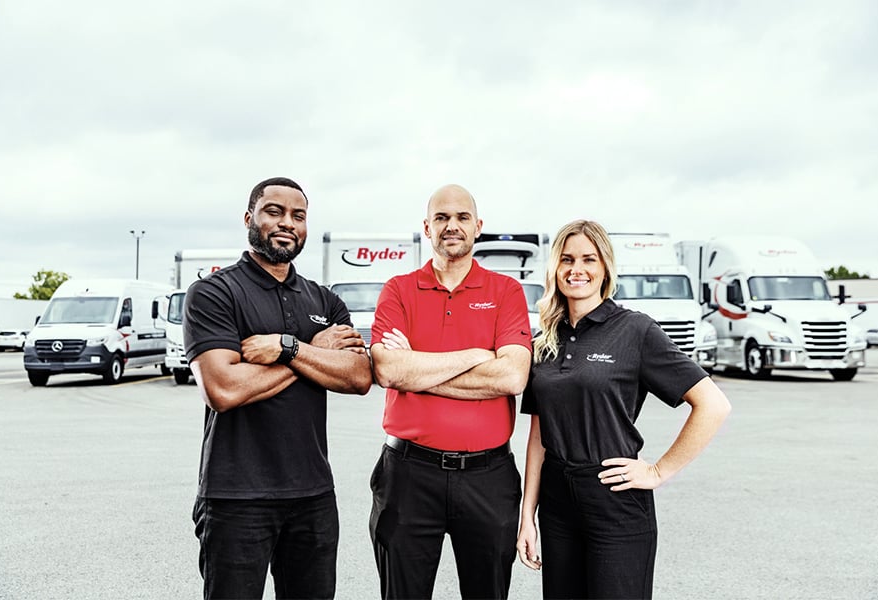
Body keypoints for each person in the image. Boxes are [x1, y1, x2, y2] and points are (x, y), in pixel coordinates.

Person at [516, 219, 732, 600]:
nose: (575, 270)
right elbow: (538, 435)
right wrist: (527, 517)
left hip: (615, 499)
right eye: (566, 260)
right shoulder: (545, 341)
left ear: (605, 268)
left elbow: (713, 404)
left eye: (588, 259)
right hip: (556, 504)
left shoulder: (635, 330)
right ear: (554, 268)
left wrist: (658, 470)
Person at [183, 176, 373, 600]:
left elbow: (359, 377)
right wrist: (311, 353)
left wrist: (286, 349)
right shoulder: (214, 293)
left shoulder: (324, 301)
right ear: (250, 218)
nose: (287, 222)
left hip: (313, 496)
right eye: (275, 211)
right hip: (235, 497)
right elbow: (224, 389)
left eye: (298, 215)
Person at [368, 184, 533, 600]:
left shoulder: (506, 292)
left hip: (488, 477)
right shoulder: (399, 289)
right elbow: (388, 369)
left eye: (461, 217)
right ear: (427, 227)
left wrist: (418, 369)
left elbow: (512, 377)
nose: (451, 226)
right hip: (407, 473)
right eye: (441, 218)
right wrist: (480, 354)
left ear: (478, 227)